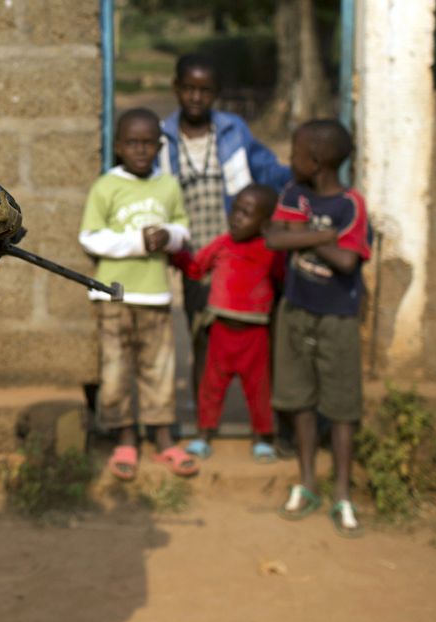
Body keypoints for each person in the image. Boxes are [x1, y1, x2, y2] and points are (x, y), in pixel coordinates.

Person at [158, 53, 291, 420]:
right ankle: (204, 419)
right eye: (189, 89)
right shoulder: (162, 137)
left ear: (215, 93)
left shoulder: (232, 130)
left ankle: (263, 421)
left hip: (239, 254)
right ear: (176, 89)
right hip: (196, 257)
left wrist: (301, 182)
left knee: (247, 336)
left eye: (205, 91)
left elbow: (268, 169)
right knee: (201, 333)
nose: (196, 98)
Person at [79, 108, 199, 481]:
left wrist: (171, 237)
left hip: (156, 295)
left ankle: (163, 437)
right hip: (113, 296)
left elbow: (183, 229)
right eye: (132, 143)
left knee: (159, 368)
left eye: (148, 143)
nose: (141, 150)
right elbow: (90, 238)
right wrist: (138, 241)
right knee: (116, 368)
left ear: (160, 146)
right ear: (118, 146)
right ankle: (125, 437)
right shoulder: (106, 186)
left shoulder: (168, 186)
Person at [265, 119, 371, 538]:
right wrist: (323, 235)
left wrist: (302, 235)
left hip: (337, 318)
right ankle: (307, 482)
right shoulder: (293, 193)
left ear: (316, 161)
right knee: (299, 399)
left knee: (341, 406)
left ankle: (342, 491)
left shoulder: (352, 205)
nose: (289, 160)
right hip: (296, 310)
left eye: (294, 153)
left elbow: (348, 262)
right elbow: (273, 239)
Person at [174, 184, 284, 462]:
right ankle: (203, 435)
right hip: (222, 332)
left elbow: (282, 279)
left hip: (255, 334)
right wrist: (176, 255)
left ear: (265, 223)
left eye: (246, 213)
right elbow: (197, 268)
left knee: (258, 390)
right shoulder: (223, 243)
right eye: (235, 209)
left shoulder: (270, 249)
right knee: (211, 387)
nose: (236, 217)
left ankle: (262, 438)